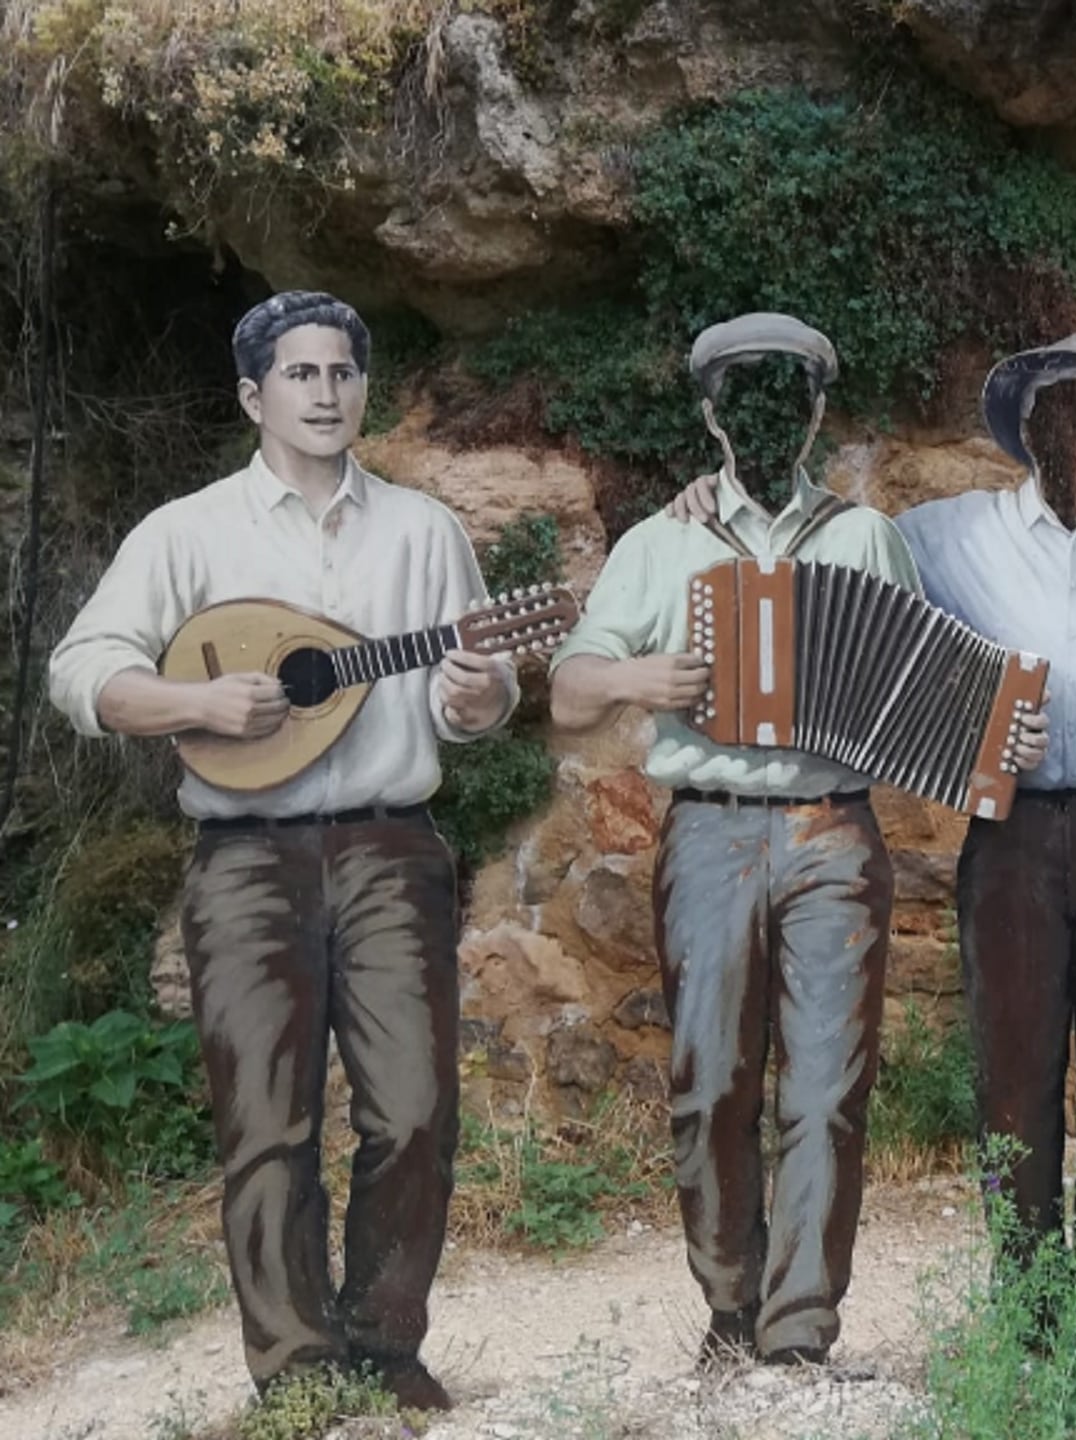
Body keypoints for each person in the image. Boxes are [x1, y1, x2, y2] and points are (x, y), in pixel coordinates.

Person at [47, 291, 517, 1410]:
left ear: (363, 388)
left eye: (342, 372)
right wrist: (193, 702)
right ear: (254, 395)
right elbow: (82, 670)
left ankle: (385, 1348)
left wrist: (482, 690)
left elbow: (476, 701)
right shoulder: (186, 533)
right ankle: (296, 1375)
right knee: (267, 1122)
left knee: (413, 1109)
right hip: (244, 858)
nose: (325, 392)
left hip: (392, 845)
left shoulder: (424, 531)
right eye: (300, 375)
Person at [670, 332, 1076, 1274]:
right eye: (1056, 404)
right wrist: (702, 498)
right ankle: (1027, 1295)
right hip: (1007, 836)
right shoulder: (937, 533)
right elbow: (827, 587)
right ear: (1023, 427)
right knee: (1012, 1072)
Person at [549, 313, 929, 1368]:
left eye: (791, 392)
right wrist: (636, 677)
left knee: (826, 1087)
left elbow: (921, 685)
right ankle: (729, 1309)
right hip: (708, 833)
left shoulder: (862, 538)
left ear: (812, 411)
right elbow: (571, 690)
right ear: (712, 412)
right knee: (709, 1079)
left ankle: (799, 1330)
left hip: (832, 831)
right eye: (745, 392)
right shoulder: (657, 543)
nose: (769, 410)